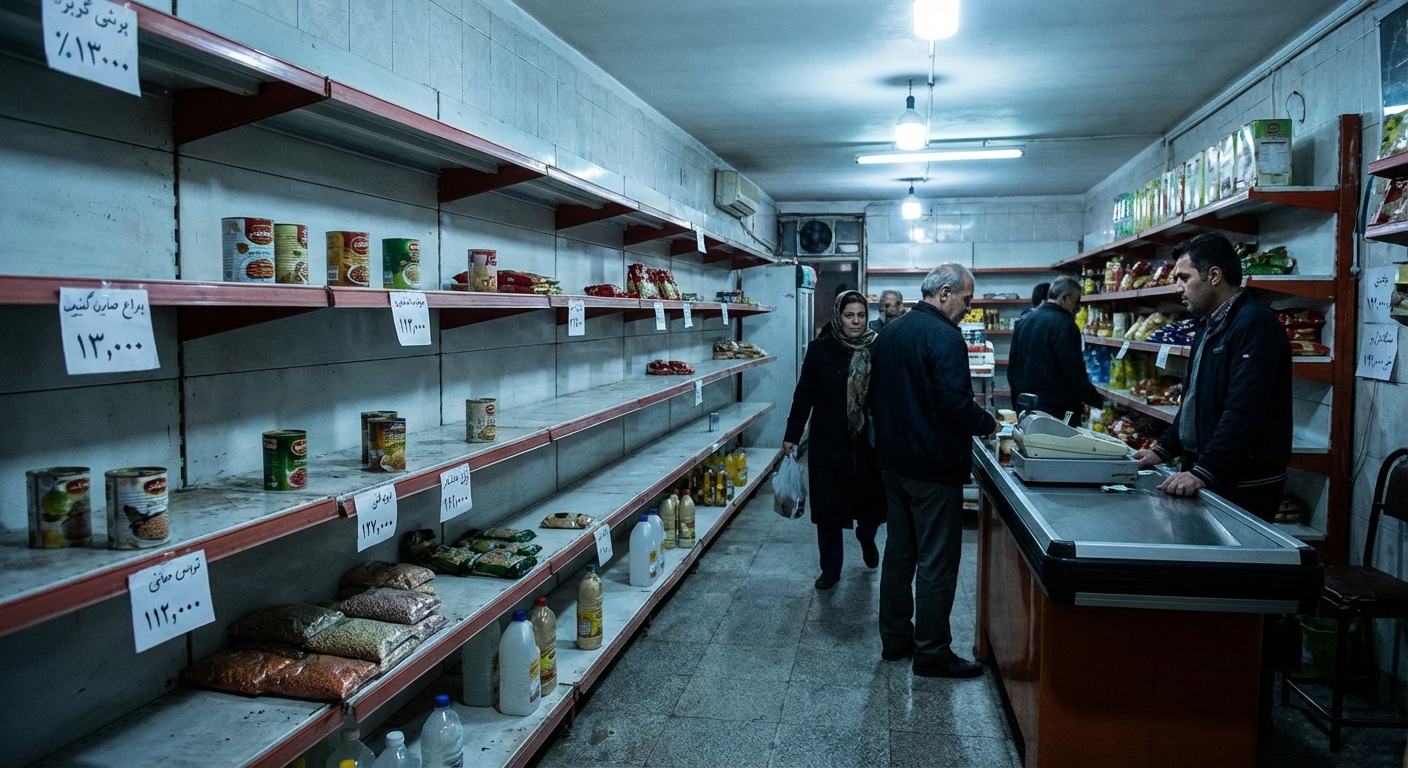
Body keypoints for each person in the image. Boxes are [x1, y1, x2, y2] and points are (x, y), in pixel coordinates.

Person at [869, 262, 997, 678]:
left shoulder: (890, 332)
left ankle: (895, 641)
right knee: (937, 562)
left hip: (893, 464)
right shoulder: (945, 336)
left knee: (899, 555)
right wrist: (989, 423)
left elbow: (873, 397)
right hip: (933, 467)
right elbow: (955, 404)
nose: (969, 308)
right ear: (944, 293)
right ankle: (932, 652)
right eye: (966, 299)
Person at [1132, 232, 1292, 521]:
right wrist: (1163, 450)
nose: (1177, 287)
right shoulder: (1209, 325)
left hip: (1242, 484)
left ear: (1214, 276)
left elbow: (1244, 409)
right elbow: (1192, 400)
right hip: (1210, 476)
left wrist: (1205, 471)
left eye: (1184, 277)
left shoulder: (1255, 325)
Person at [783, 290, 887, 590]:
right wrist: (792, 435)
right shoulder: (821, 350)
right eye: (849, 315)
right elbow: (804, 394)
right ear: (838, 317)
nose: (856, 321)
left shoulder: (878, 347)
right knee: (828, 508)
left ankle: (866, 536)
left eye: (861, 315)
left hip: (868, 442)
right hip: (829, 441)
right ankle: (830, 568)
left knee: (871, 504)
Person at [1007, 276, 1104, 424]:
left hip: (1026, 407)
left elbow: (1012, 367)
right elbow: (1072, 371)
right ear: (1065, 298)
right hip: (1056, 411)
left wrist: (1018, 403)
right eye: (1076, 301)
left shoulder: (1025, 320)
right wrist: (1095, 400)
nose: (1077, 307)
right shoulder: (1065, 324)